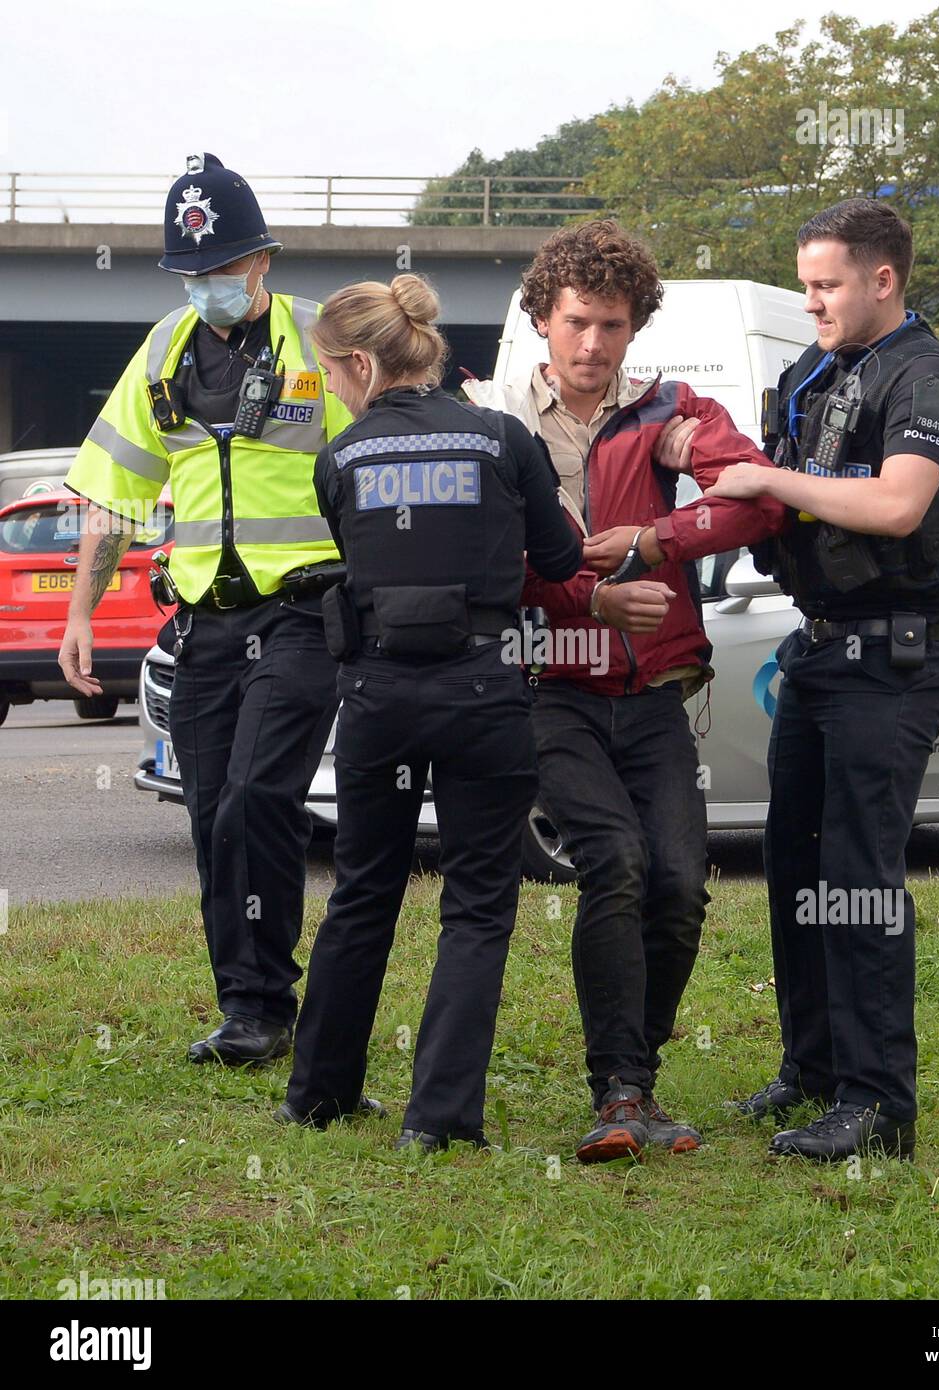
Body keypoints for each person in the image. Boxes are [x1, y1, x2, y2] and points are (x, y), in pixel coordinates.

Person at [463, 219, 787, 1162]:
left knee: (681, 883)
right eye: (577, 323)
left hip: (656, 690)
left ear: (636, 325)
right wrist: (592, 591)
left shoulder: (673, 409)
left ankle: (633, 1082)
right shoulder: (496, 421)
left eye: (613, 325)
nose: (594, 345)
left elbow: (760, 496)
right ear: (541, 320)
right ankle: (618, 1089)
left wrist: (661, 540)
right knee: (615, 862)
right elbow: (492, 562)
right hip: (548, 686)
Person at [60, 153, 355, 1068]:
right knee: (207, 815)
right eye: (193, 276)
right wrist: (79, 614)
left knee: (255, 800)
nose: (210, 288)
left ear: (261, 260)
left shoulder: (324, 341)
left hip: (303, 614)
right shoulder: (162, 351)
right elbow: (115, 495)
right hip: (203, 624)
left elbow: (400, 437)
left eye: (223, 271)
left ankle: (273, 999)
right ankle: (247, 1008)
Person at [276, 275, 581, 1147]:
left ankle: (318, 1095)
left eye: (331, 373)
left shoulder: (339, 460)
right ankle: (439, 1121)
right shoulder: (502, 438)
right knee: (479, 902)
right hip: (484, 694)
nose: (330, 388)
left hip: (375, 698)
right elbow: (558, 560)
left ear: (363, 363)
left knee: (363, 891)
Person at [707, 197, 939, 1161]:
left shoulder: (927, 378)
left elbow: (900, 505)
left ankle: (878, 1105)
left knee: (859, 879)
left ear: (883, 279)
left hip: (893, 657)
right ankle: (813, 1069)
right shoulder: (814, 373)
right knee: (796, 866)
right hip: (819, 650)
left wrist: (771, 484)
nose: (811, 300)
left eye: (826, 284)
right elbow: (763, 491)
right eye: (805, 283)